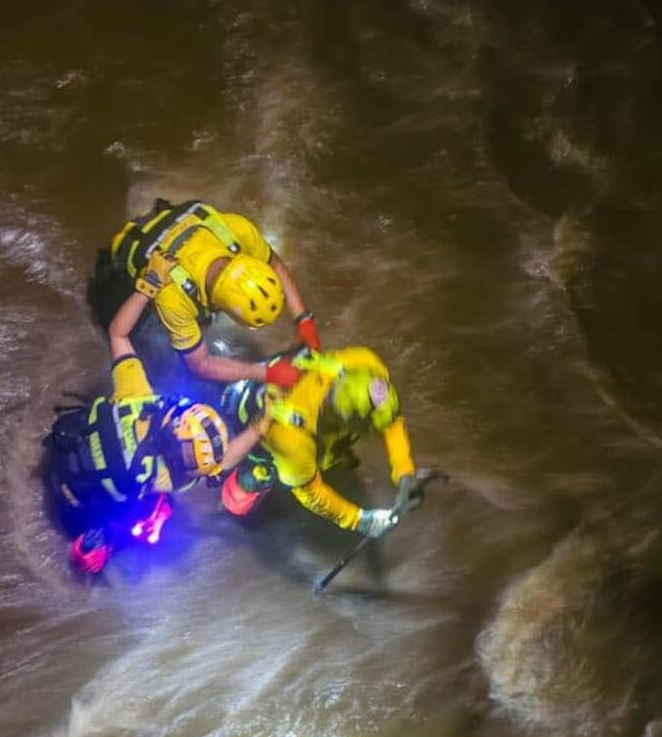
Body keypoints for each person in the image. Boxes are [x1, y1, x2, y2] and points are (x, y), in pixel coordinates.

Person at [43, 329, 269, 574]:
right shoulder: (166, 477)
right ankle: (95, 548)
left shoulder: (135, 399)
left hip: (61, 455)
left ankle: (89, 546)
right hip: (80, 505)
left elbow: (118, 334)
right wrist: (258, 428)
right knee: (154, 513)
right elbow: (222, 463)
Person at [95, 199, 321, 392]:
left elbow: (275, 265)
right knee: (153, 357)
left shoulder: (238, 230)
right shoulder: (172, 295)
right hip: (124, 268)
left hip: (168, 222)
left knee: (194, 326)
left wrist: (304, 321)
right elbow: (200, 365)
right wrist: (264, 373)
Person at [219, 345, 420, 536]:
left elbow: (391, 422)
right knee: (245, 491)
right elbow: (310, 492)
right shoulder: (292, 439)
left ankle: (326, 453)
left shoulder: (366, 365)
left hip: (279, 379)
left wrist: (404, 472)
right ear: (345, 420)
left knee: (320, 453)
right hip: (253, 425)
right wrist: (358, 521)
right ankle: (236, 492)